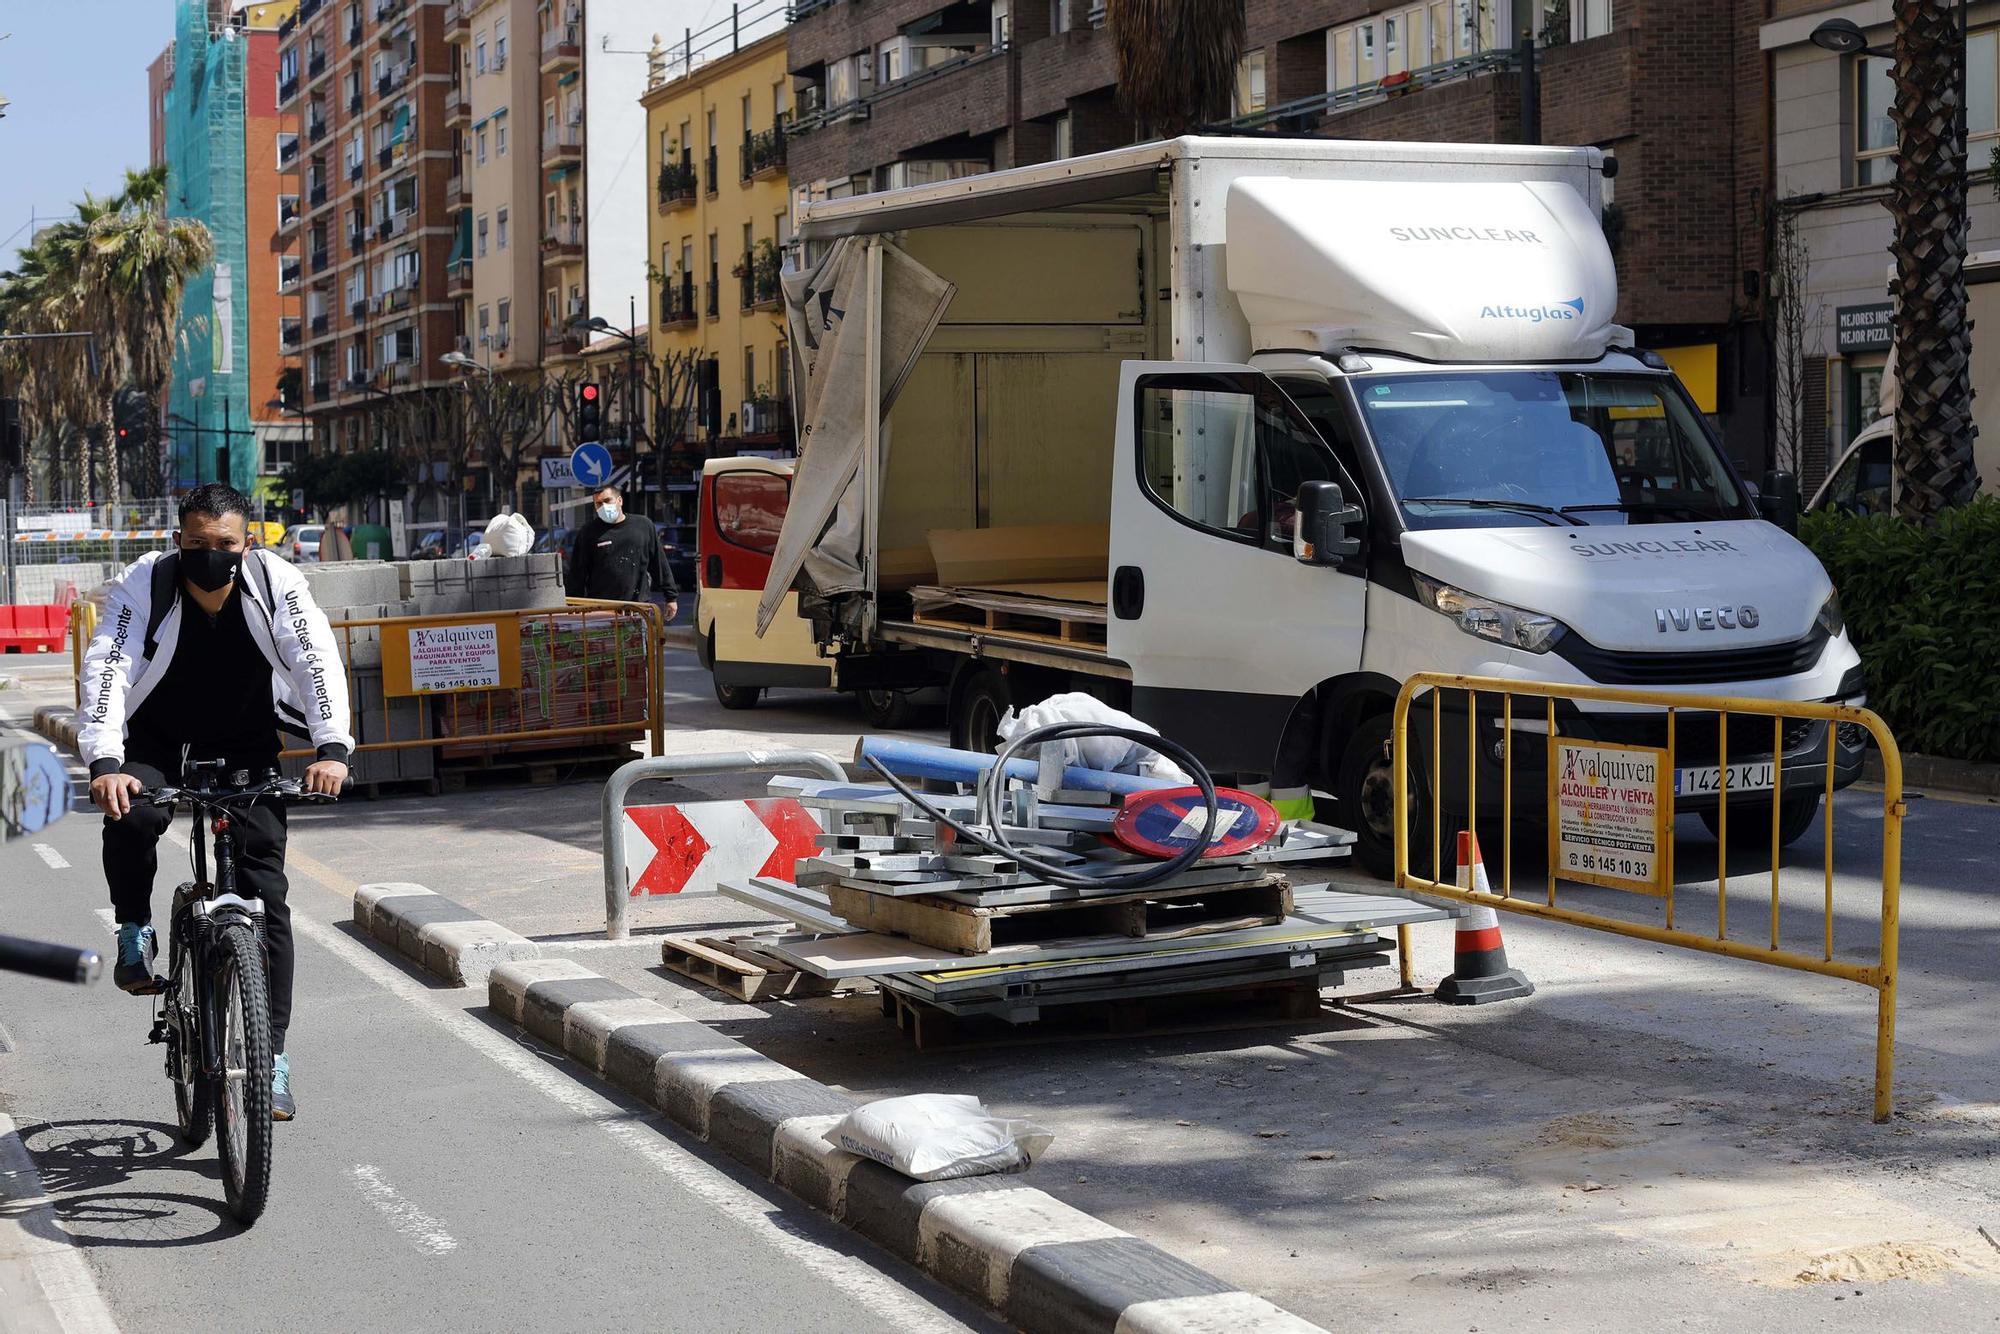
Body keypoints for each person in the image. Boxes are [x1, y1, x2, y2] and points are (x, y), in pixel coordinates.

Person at [78, 483, 353, 1122]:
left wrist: (332, 747)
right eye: (198, 543)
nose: (212, 554)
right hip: (158, 739)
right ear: (179, 541)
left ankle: (273, 1056)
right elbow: (107, 667)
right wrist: (105, 763)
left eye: (225, 543)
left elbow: (315, 660)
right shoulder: (145, 584)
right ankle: (133, 928)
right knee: (134, 810)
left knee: (268, 895)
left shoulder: (274, 581)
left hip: (245, 741)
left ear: (247, 542)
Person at [565, 483, 679, 623]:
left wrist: (670, 597)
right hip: (601, 610)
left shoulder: (643, 526)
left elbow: (659, 563)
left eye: (607, 501)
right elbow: (578, 572)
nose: (603, 507)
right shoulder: (588, 532)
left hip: (637, 608)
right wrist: (573, 607)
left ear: (619, 501)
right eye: (598, 504)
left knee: (640, 645)